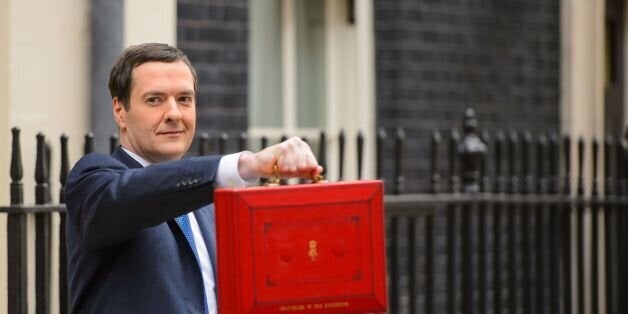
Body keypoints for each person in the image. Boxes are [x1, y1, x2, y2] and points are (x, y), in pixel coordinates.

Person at [65, 43, 323, 313]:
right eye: (155, 100)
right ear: (120, 111)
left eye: (185, 99)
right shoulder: (93, 179)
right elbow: (137, 193)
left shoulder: (208, 201)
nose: (174, 114)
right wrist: (246, 165)